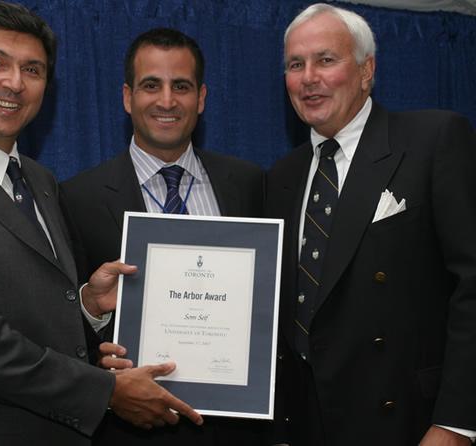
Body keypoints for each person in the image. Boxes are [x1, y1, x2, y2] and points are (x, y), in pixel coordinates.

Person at [0, 3, 202, 445]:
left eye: (32, 69)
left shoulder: (41, 181)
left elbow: (44, 314)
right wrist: (108, 392)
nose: (14, 82)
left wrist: (88, 303)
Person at [265, 3, 476, 445]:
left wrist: (456, 422)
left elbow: (471, 286)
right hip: (305, 426)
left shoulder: (432, 141)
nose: (308, 78)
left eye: (326, 60)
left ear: (367, 70)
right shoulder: (279, 179)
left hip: (408, 425)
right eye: (295, 64)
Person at [60, 27, 272, 446]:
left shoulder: (250, 184)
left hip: (236, 432)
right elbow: (59, 331)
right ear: (127, 97)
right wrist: (91, 307)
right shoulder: (76, 197)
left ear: (202, 98)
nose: (167, 101)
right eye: (151, 85)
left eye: (182, 86)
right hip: (130, 432)